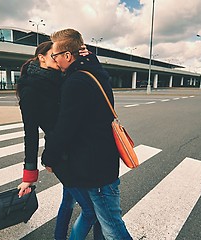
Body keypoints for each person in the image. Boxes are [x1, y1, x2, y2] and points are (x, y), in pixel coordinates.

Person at [41, 29, 132, 240]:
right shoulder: (94, 73)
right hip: (103, 162)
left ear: (67, 56)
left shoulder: (77, 82)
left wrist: (49, 157)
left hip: (94, 169)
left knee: (113, 227)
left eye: (55, 55)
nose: (54, 60)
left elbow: (66, 128)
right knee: (103, 219)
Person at [16, 41, 102, 240]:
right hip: (61, 156)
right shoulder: (30, 89)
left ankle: (59, 237)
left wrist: (88, 58)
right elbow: (30, 133)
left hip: (76, 151)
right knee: (91, 210)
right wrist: (29, 175)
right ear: (42, 58)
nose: (57, 57)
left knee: (68, 200)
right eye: (53, 54)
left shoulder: (64, 78)